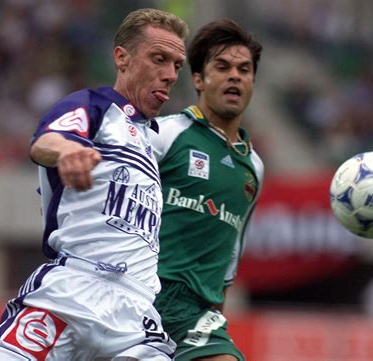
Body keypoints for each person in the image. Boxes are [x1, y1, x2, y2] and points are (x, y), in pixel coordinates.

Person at [0, 8, 188, 361]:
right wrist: (68, 151)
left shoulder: (152, 143)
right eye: (159, 59)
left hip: (135, 314)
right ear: (122, 58)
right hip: (74, 290)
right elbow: (46, 142)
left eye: (177, 66)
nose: (169, 75)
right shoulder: (96, 106)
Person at [150, 19, 264, 361]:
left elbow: (231, 251)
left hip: (195, 313)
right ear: (198, 79)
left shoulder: (253, 168)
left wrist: (218, 311)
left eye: (244, 69)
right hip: (143, 295)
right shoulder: (165, 134)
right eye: (223, 67)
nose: (235, 76)